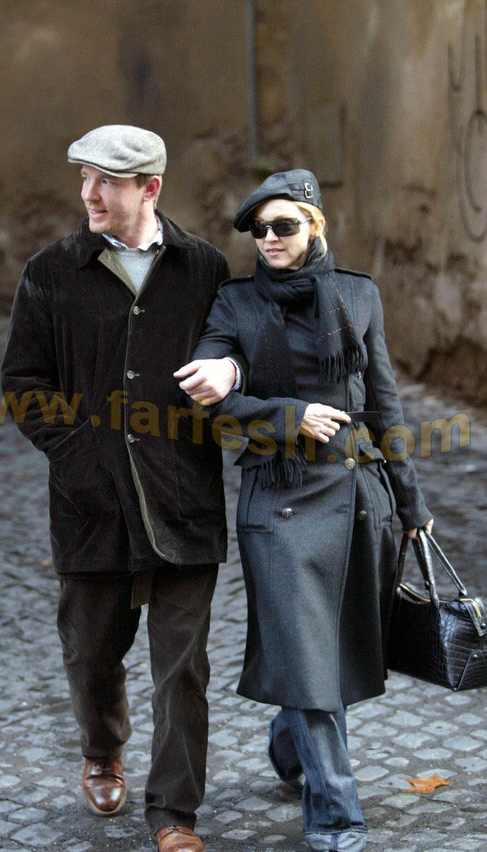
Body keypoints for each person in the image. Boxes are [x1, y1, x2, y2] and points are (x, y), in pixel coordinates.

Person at [175, 169, 434, 852]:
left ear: (315, 225)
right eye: (258, 230)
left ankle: (291, 742)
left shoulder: (359, 294)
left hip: (357, 499)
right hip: (279, 505)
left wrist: (411, 500)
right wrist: (288, 415)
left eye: (282, 226)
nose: (268, 239)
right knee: (309, 654)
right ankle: (336, 817)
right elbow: (211, 401)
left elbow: (384, 404)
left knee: (329, 651)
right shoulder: (235, 303)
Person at [1, 124, 239, 852]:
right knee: (91, 653)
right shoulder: (51, 271)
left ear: (150, 188)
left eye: (106, 180)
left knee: (182, 670)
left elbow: (238, 347)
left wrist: (231, 372)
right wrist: (82, 460)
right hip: (91, 505)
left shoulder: (204, 268)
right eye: (84, 178)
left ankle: (174, 814)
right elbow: (24, 383)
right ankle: (102, 750)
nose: (89, 194)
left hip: (182, 497)